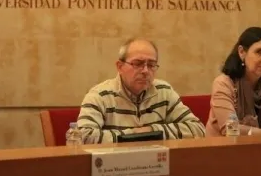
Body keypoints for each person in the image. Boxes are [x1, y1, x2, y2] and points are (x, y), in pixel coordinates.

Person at [77, 38, 206, 143]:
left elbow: (197, 129)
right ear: (120, 67)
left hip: (157, 164)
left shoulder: (164, 91)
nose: (145, 71)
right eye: (138, 64)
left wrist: (151, 131)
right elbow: (83, 137)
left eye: (151, 65)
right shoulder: (99, 96)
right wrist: (134, 134)